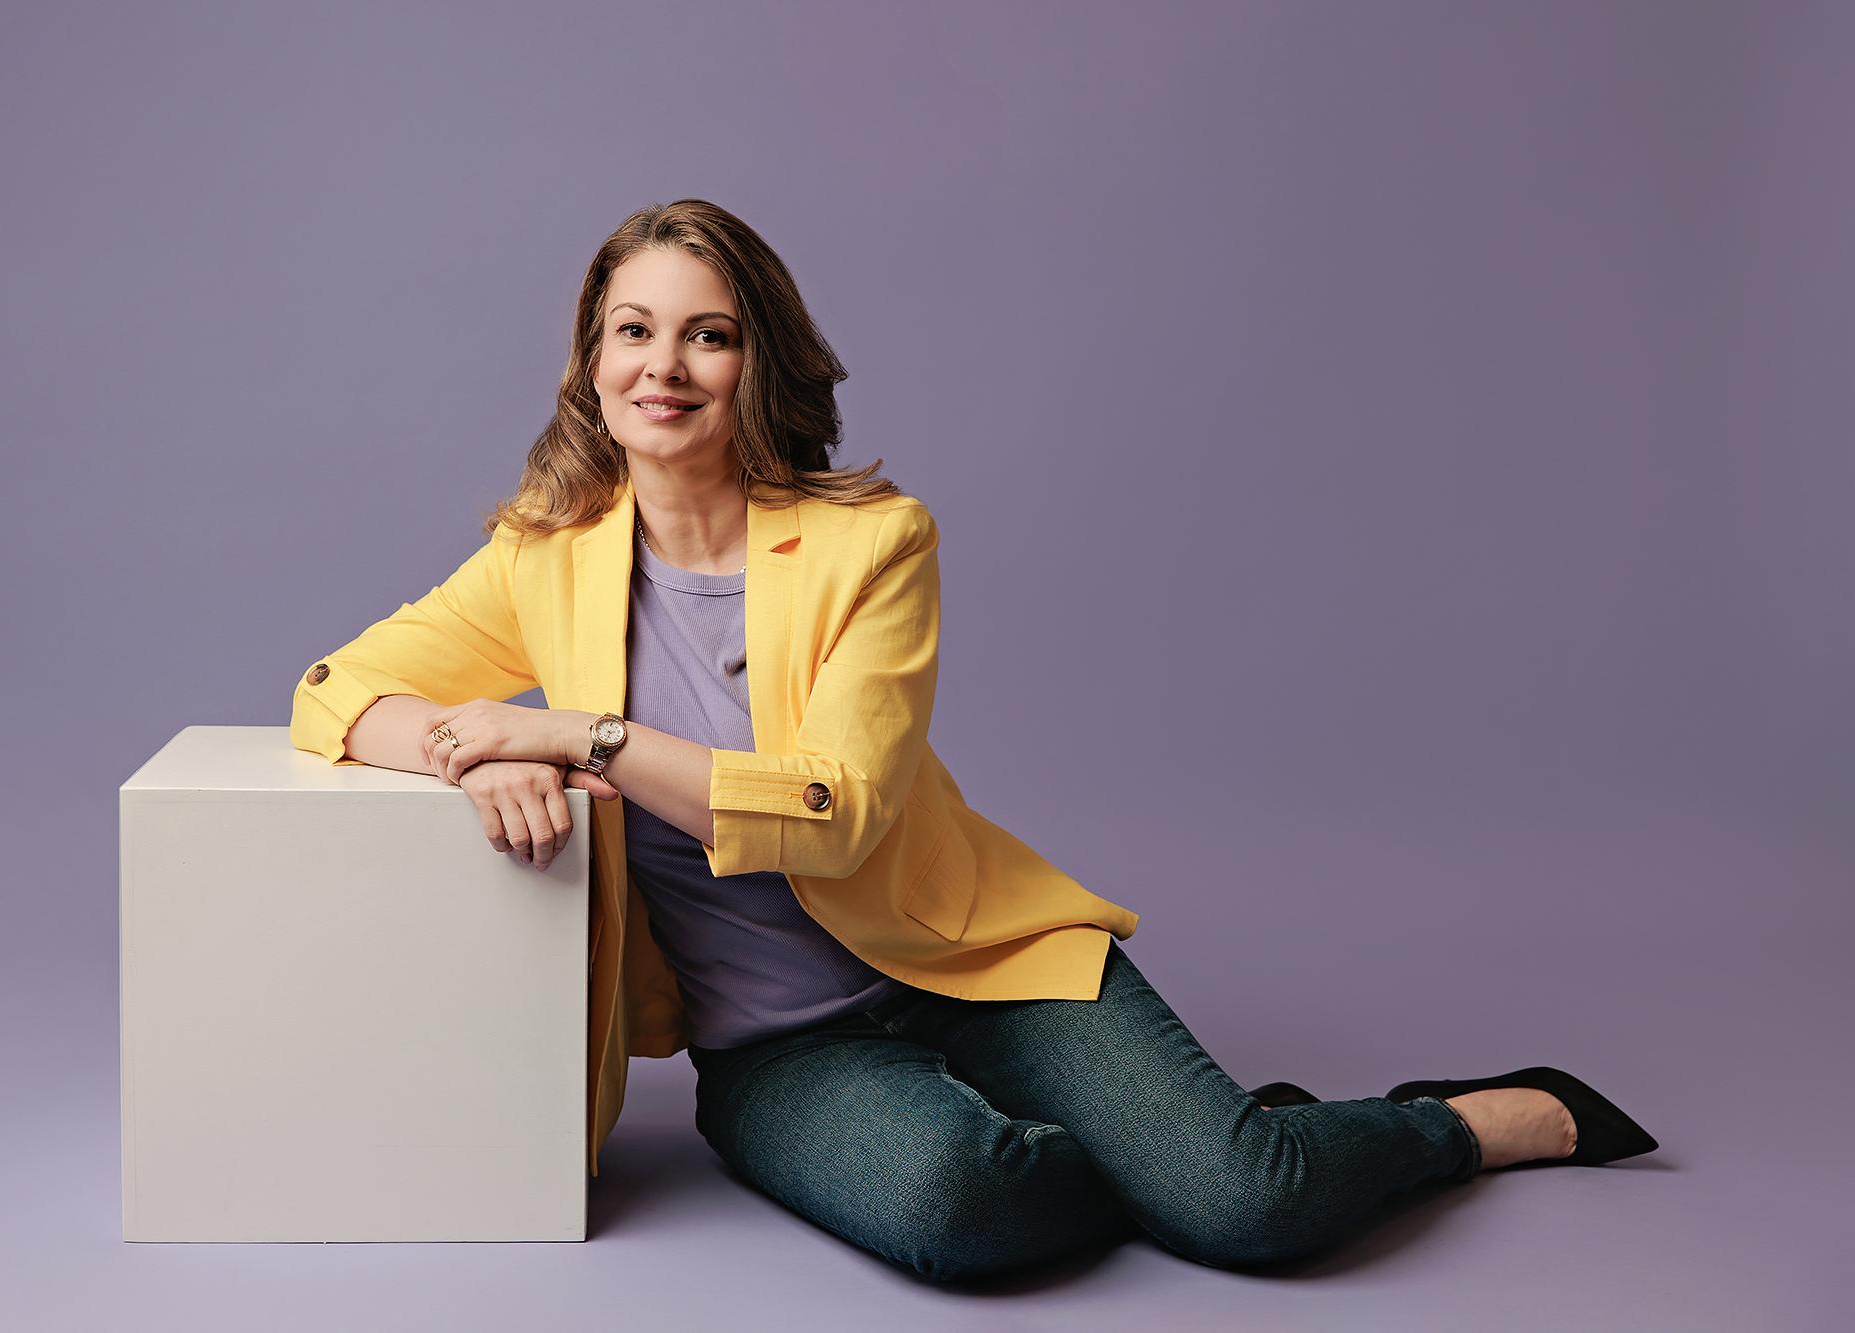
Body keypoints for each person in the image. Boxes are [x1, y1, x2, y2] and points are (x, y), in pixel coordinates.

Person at [290, 199, 1657, 1284]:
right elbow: (336, 687)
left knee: (1252, 1206)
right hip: (780, 1048)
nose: (665, 366)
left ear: (756, 356)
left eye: (707, 333)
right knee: (962, 1213)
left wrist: (581, 736)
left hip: (974, 958)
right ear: (591, 359)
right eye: (634, 330)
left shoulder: (872, 541)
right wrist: (485, 748)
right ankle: (1184, 1142)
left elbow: (832, 811)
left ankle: (1454, 1120)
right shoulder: (547, 557)